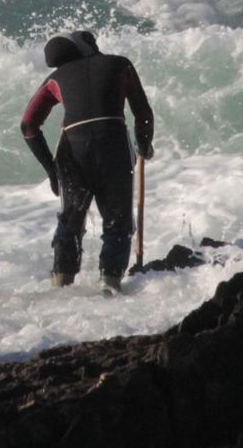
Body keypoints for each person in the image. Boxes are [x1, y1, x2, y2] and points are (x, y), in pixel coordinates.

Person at [19, 30, 154, 292]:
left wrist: (51, 170)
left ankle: (62, 285)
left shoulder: (56, 78)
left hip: (72, 151)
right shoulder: (119, 64)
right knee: (117, 221)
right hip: (112, 145)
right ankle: (110, 285)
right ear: (86, 46)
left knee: (71, 220)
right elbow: (143, 113)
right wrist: (144, 144)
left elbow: (28, 125)